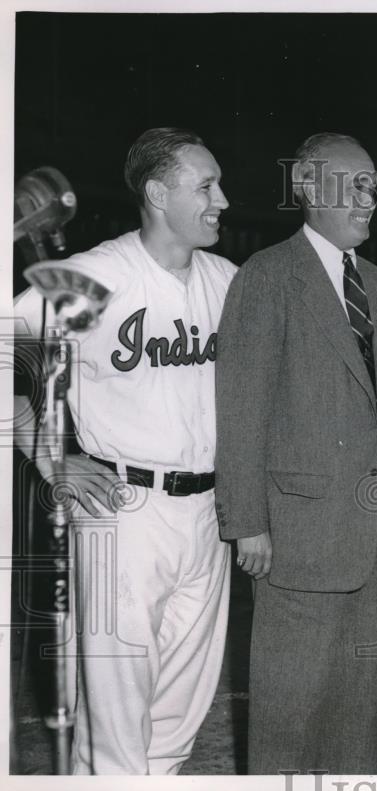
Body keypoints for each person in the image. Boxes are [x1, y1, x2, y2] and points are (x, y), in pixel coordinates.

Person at [12, 127, 235, 774]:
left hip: (208, 514)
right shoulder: (96, 276)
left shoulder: (227, 280)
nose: (223, 198)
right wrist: (49, 454)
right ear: (159, 193)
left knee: (177, 718)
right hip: (123, 506)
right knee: (114, 721)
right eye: (206, 185)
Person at [214, 132, 377, 774]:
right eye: (354, 186)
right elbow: (242, 408)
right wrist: (248, 523)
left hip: (369, 527)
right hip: (297, 531)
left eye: (373, 186)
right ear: (307, 190)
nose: (369, 199)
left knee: (359, 712)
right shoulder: (267, 277)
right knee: (286, 715)